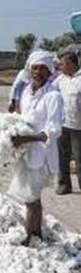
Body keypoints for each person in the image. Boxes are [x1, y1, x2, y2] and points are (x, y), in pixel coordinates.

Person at [8, 51, 63, 246]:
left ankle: (34, 236)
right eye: (35, 68)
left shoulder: (53, 96)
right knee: (29, 198)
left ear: (49, 72)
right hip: (25, 152)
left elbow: (53, 130)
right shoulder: (26, 92)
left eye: (42, 69)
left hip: (41, 154)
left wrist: (27, 138)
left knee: (33, 198)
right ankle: (33, 233)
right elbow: (24, 119)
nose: (37, 72)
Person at [54, 51, 81, 195]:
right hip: (63, 124)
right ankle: (64, 184)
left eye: (62, 64)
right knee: (62, 157)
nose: (59, 67)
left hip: (78, 127)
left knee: (79, 157)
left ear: (70, 64)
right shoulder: (60, 80)